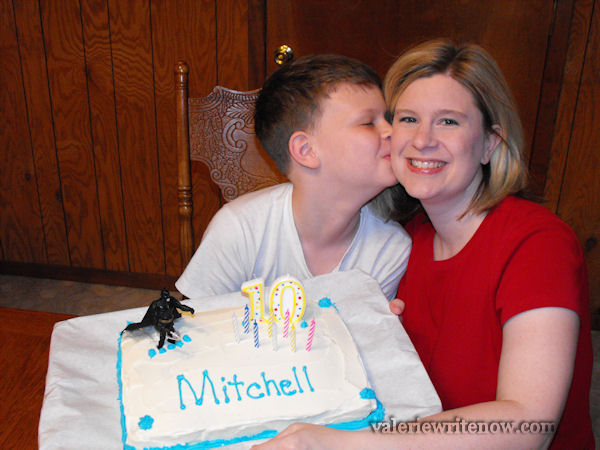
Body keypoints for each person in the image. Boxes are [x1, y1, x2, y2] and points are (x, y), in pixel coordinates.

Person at [254, 40, 594, 448]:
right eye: (408, 118)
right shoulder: (405, 240)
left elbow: (529, 426)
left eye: (448, 121)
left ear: (490, 143)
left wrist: (345, 443)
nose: (422, 139)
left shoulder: (537, 244)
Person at [176, 54, 411, 300]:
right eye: (368, 123)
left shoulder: (389, 248)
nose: (392, 131)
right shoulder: (240, 230)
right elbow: (193, 319)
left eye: (388, 119)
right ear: (306, 150)